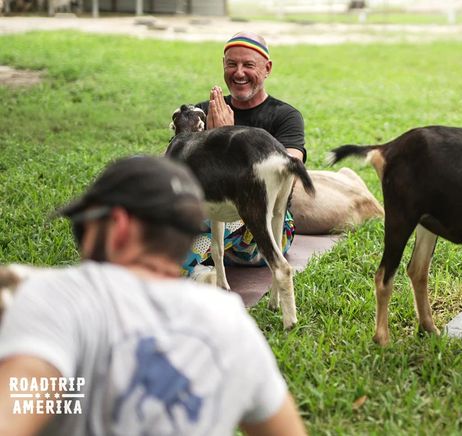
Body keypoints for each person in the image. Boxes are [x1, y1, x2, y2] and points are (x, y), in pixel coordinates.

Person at [0, 156, 307, 436]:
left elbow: (14, 414)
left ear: (118, 226)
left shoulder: (60, 295)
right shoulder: (232, 322)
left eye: (83, 228)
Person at [181, 32, 307, 278]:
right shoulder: (204, 111)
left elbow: (291, 168)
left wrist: (224, 136)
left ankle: (182, 272)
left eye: (249, 65)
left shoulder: (286, 116)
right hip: (207, 217)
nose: (239, 73)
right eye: (232, 64)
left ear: (267, 68)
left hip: (266, 231)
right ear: (223, 66)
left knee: (220, 216)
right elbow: (173, 169)